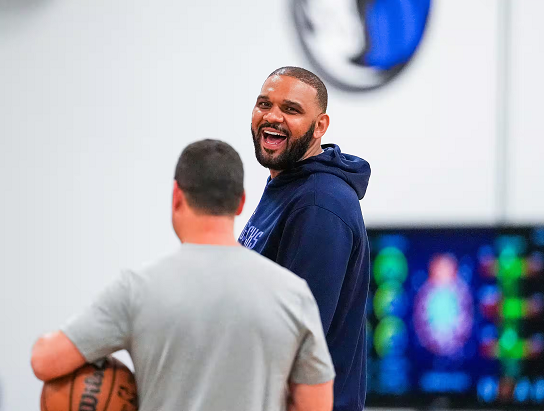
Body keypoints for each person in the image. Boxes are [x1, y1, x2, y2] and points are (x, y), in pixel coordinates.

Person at [31, 139, 335, 411]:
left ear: (177, 195)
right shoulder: (293, 294)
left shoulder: (136, 290)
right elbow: (317, 404)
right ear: (240, 202)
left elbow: (44, 361)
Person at [239, 67, 371, 411]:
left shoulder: (320, 204)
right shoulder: (288, 186)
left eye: (291, 110)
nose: (272, 117)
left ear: (320, 126)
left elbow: (297, 343)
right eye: (263, 104)